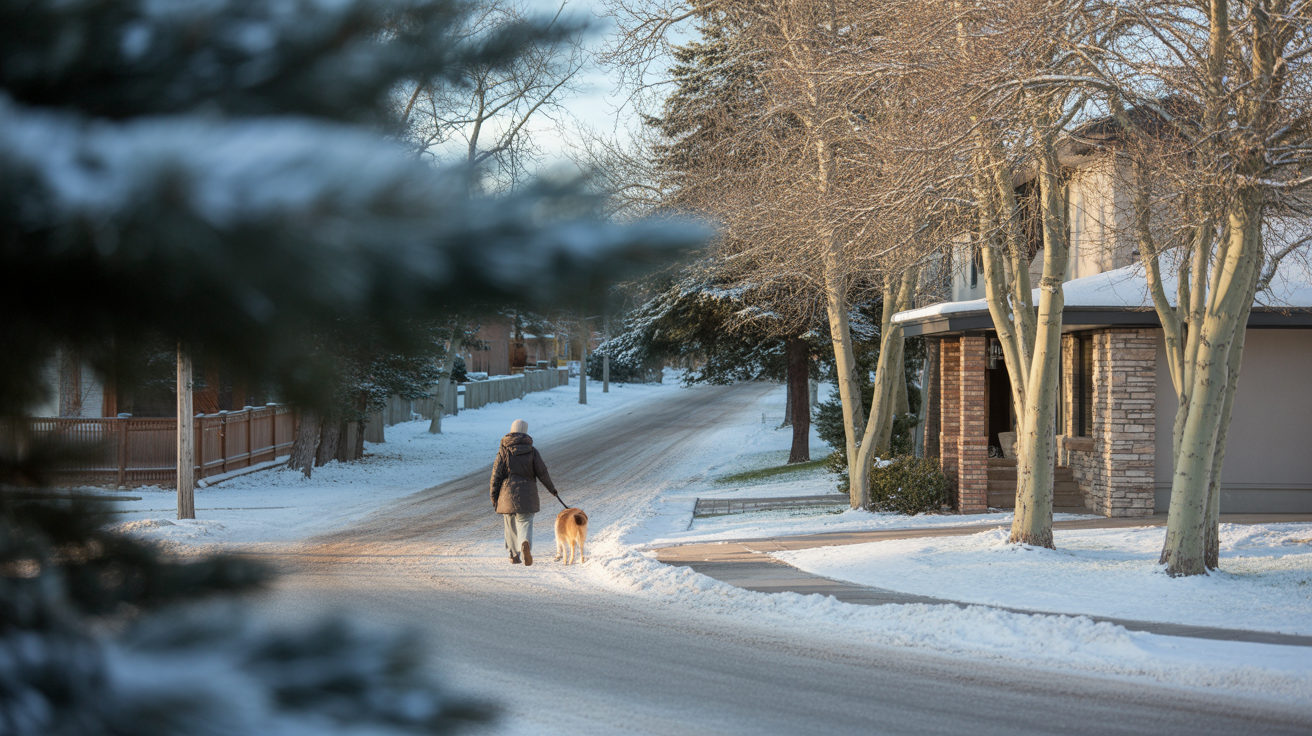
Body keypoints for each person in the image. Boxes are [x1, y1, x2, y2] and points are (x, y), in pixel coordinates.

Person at [490, 419, 559, 565]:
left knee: (510, 524)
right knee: (525, 521)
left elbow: (496, 475)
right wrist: (552, 489)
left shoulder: (503, 450)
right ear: (525, 432)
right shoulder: (532, 451)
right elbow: (543, 472)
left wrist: (494, 496)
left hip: (507, 494)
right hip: (527, 495)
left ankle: (513, 555)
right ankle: (525, 542)